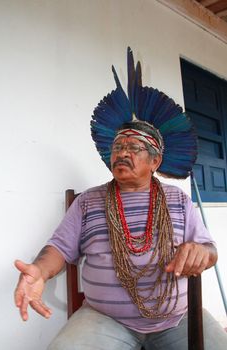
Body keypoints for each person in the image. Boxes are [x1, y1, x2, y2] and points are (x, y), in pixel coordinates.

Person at [14, 48, 227, 349]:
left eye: (134, 147)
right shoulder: (88, 202)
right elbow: (59, 249)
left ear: (155, 162)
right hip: (104, 318)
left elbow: (210, 250)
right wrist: (38, 271)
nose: (123, 153)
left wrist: (202, 253)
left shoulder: (177, 200)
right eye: (117, 147)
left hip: (177, 319)